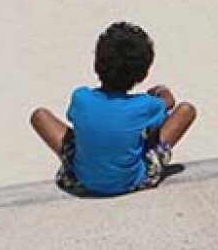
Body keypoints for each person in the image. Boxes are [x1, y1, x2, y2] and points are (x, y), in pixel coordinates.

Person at [29, 21, 197, 196]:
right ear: (142, 74)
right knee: (186, 110)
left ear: (97, 65)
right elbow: (169, 102)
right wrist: (160, 90)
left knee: (40, 116)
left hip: (80, 180)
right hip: (133, 182)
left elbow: (74, 124)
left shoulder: (81, 97)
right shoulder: (146, 105)